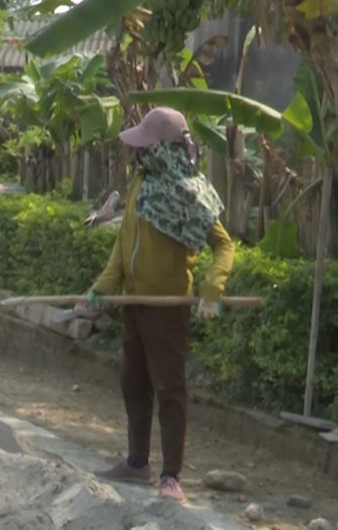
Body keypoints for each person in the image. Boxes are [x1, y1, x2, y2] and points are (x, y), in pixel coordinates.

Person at [83, 107, 234, 504]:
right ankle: (137, 463)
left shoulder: (189, 193)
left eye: (144, 147)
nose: (136, 153)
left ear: (163, 150)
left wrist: (212, 289)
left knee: (169, 388)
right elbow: (124, 243)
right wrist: (103, 286)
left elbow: (224, 247)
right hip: (134, 303)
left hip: (167, 309)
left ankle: (171, 476)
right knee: (132, 381)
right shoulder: (140, 183)